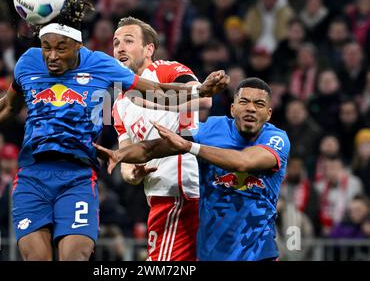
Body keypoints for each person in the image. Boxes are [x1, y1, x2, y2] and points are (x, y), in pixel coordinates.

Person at [0, 0, 229, 261]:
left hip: (78, 177)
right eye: (46, 47)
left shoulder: (101, 65)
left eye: (61, 48)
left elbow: (154, 91)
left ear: (78, 46)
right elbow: (7, 107)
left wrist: (200, 91)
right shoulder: (28, 63)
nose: (51, 56)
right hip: (32, 175)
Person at [94, 77, 291, 261]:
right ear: (232, 109)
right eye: (244, 102)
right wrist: (120, 155)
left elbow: (243, 162)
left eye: (259, 104)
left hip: (259, 253)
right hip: (211, 253)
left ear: (268, 113)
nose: (251, 109)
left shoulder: (277, 139)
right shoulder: (211, 129)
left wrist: (190, 147)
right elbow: (152, 148)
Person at [112, 16, 212, 260]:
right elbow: (126, 158)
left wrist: (150, 99)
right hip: (158, 197)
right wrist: (131, 174)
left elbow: (204, 99)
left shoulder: (166, 70)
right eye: (116, 43)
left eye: (128, 40)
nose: (120, 48)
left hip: (182, 193)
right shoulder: (118, 104)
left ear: (149, 49)